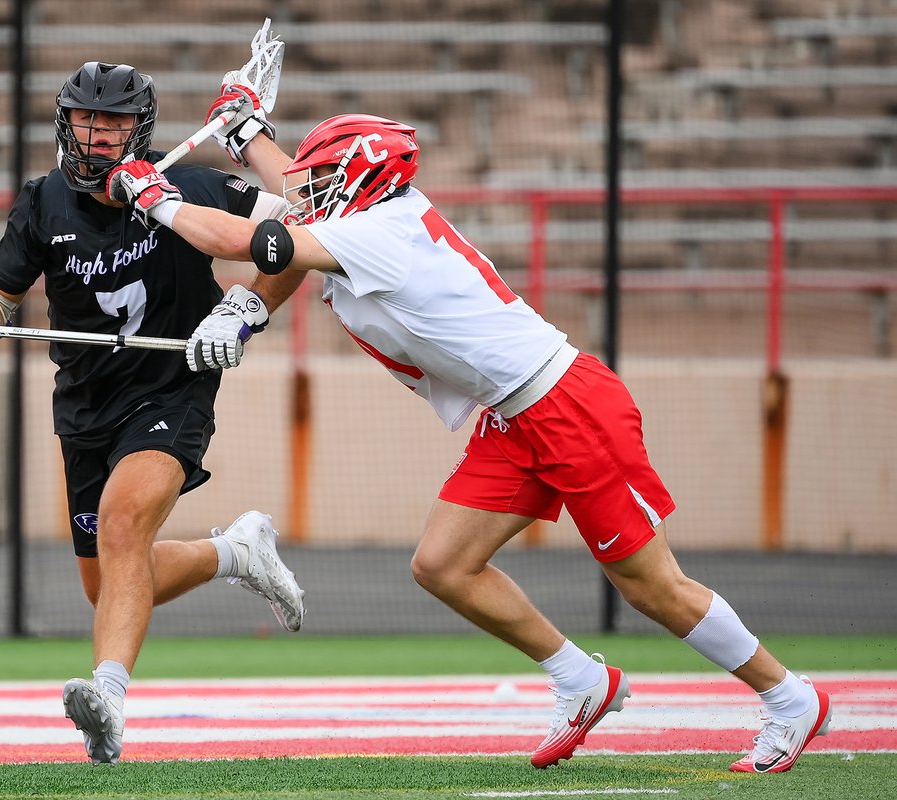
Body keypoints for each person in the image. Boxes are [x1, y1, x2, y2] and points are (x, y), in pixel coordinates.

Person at [105, 93, 833, 773]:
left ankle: (789, 698)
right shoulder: (372, 216)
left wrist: (153, 194)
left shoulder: (378, 234)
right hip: (515, 416)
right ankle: (581, 680)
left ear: (362, 180)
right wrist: (248, 135)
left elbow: (244, 239)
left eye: (327, 177)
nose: (310, 191)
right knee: (444, 563)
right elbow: (298, 196)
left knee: (651, 587)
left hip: (567, 406)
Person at [0, 62, 306, 765]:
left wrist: (246, 308)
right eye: (86, 120)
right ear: (65, 122)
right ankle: (236, 553)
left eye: (114, 123)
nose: (97, 136)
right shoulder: (43, 203)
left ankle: (109, 700)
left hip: (170, 389)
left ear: (142, 128)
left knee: (125, 526)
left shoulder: (186, 184)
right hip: (85, 406)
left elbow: (304, 223)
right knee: (107, 582)